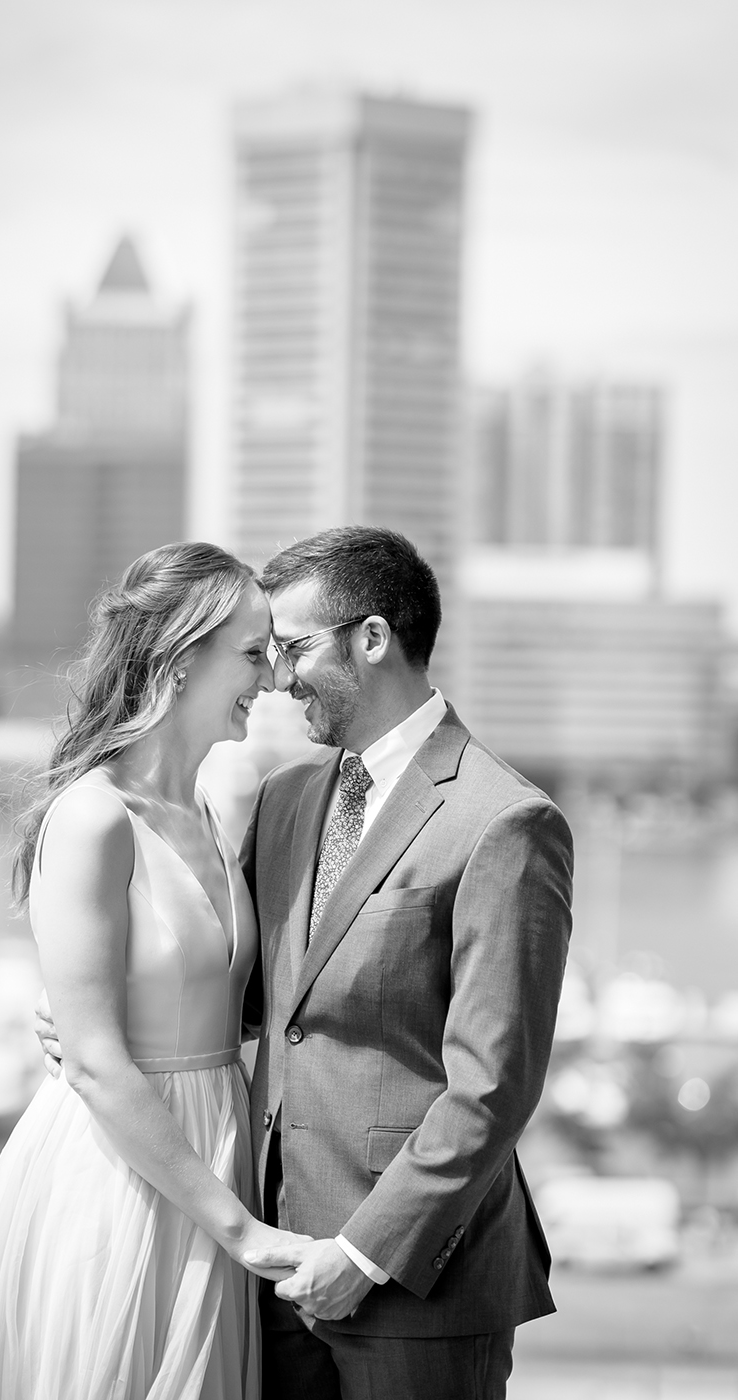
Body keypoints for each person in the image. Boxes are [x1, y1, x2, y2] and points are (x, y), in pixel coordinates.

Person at [0, 541, 307, 1400]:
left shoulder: (210, 808)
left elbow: (220, 995)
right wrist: (241, 1230)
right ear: (181, 658)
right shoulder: (93, 817)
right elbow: (96, 1063)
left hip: (215, 1154)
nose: (274, 678)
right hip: (121, 1173)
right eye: (254, 653)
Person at [238, 527, 574, 1399]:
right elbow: (261, 1000)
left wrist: (363, 1253)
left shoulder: (503, 821)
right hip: (274, 1269)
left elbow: (492, 1086)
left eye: (293, 648)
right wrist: (108, 1016)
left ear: (373, 637)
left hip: (420, 1285)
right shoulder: (283, 800)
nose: (277, 676)